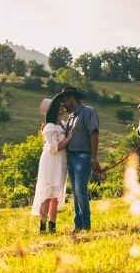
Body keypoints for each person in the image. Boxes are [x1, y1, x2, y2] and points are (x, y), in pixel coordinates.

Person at [50, 86, 99, 233]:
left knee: (80, 191)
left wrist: (94, 157)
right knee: (75, 193)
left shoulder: (87, 112)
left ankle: (86, 223)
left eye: (65, 101)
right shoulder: (71, 117)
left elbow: (94, 133)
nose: (64, 105)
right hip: (71, 158)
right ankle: (78, 224)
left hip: (83, 157)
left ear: (71, 98)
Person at [31, 98, 75, 233]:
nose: (63, 107)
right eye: (60, 106)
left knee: (56, 195)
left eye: (62, 105)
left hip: (60, 161)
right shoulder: (49, 127)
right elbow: (53, 148)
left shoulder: (62, 124)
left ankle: (53, 226)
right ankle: (42, 226)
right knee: (47, 195)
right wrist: (68, 138)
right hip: (50, 161)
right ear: (54, 111)